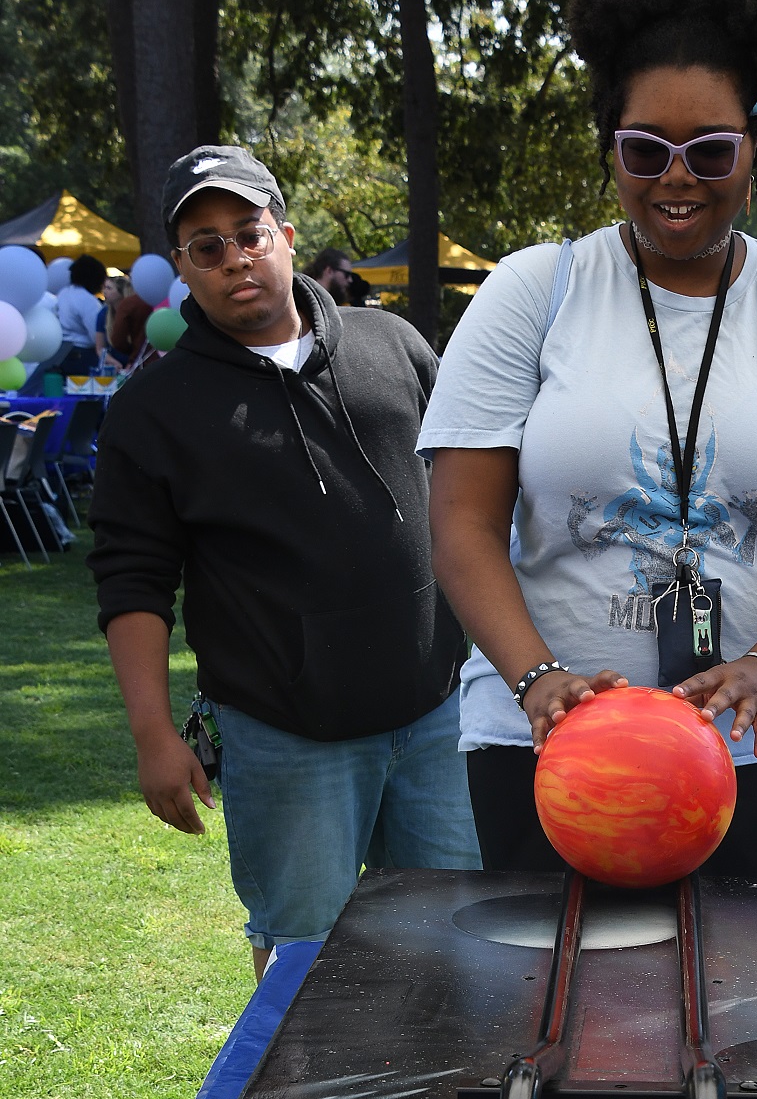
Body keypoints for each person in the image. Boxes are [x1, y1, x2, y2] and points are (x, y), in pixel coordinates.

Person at [420, 0, 757, 881]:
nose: (677, 176)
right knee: (547, 1016)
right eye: (645, 148)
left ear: (756, 146)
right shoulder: (533, 291)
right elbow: (461, 521)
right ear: (611, 150)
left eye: (710, 148)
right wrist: (535, 679)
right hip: (549, 750)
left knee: (745, 1016)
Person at [89, 144, 479, 981]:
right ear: (184, 270)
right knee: (305, 968)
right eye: (207, 246)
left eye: (248, 232)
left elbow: (474, 498)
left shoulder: (394, 344)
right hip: (285, 736)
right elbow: (133, 582)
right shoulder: (151, 410)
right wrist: (155, 734)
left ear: (287, 236)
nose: (235, 258)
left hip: (436, 716)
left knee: (460, 941)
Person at [56, 255, 106, 373]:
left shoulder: (63, 293)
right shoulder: (88, 300)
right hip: (82, 354)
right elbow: (96, 335)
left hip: (60, 352)